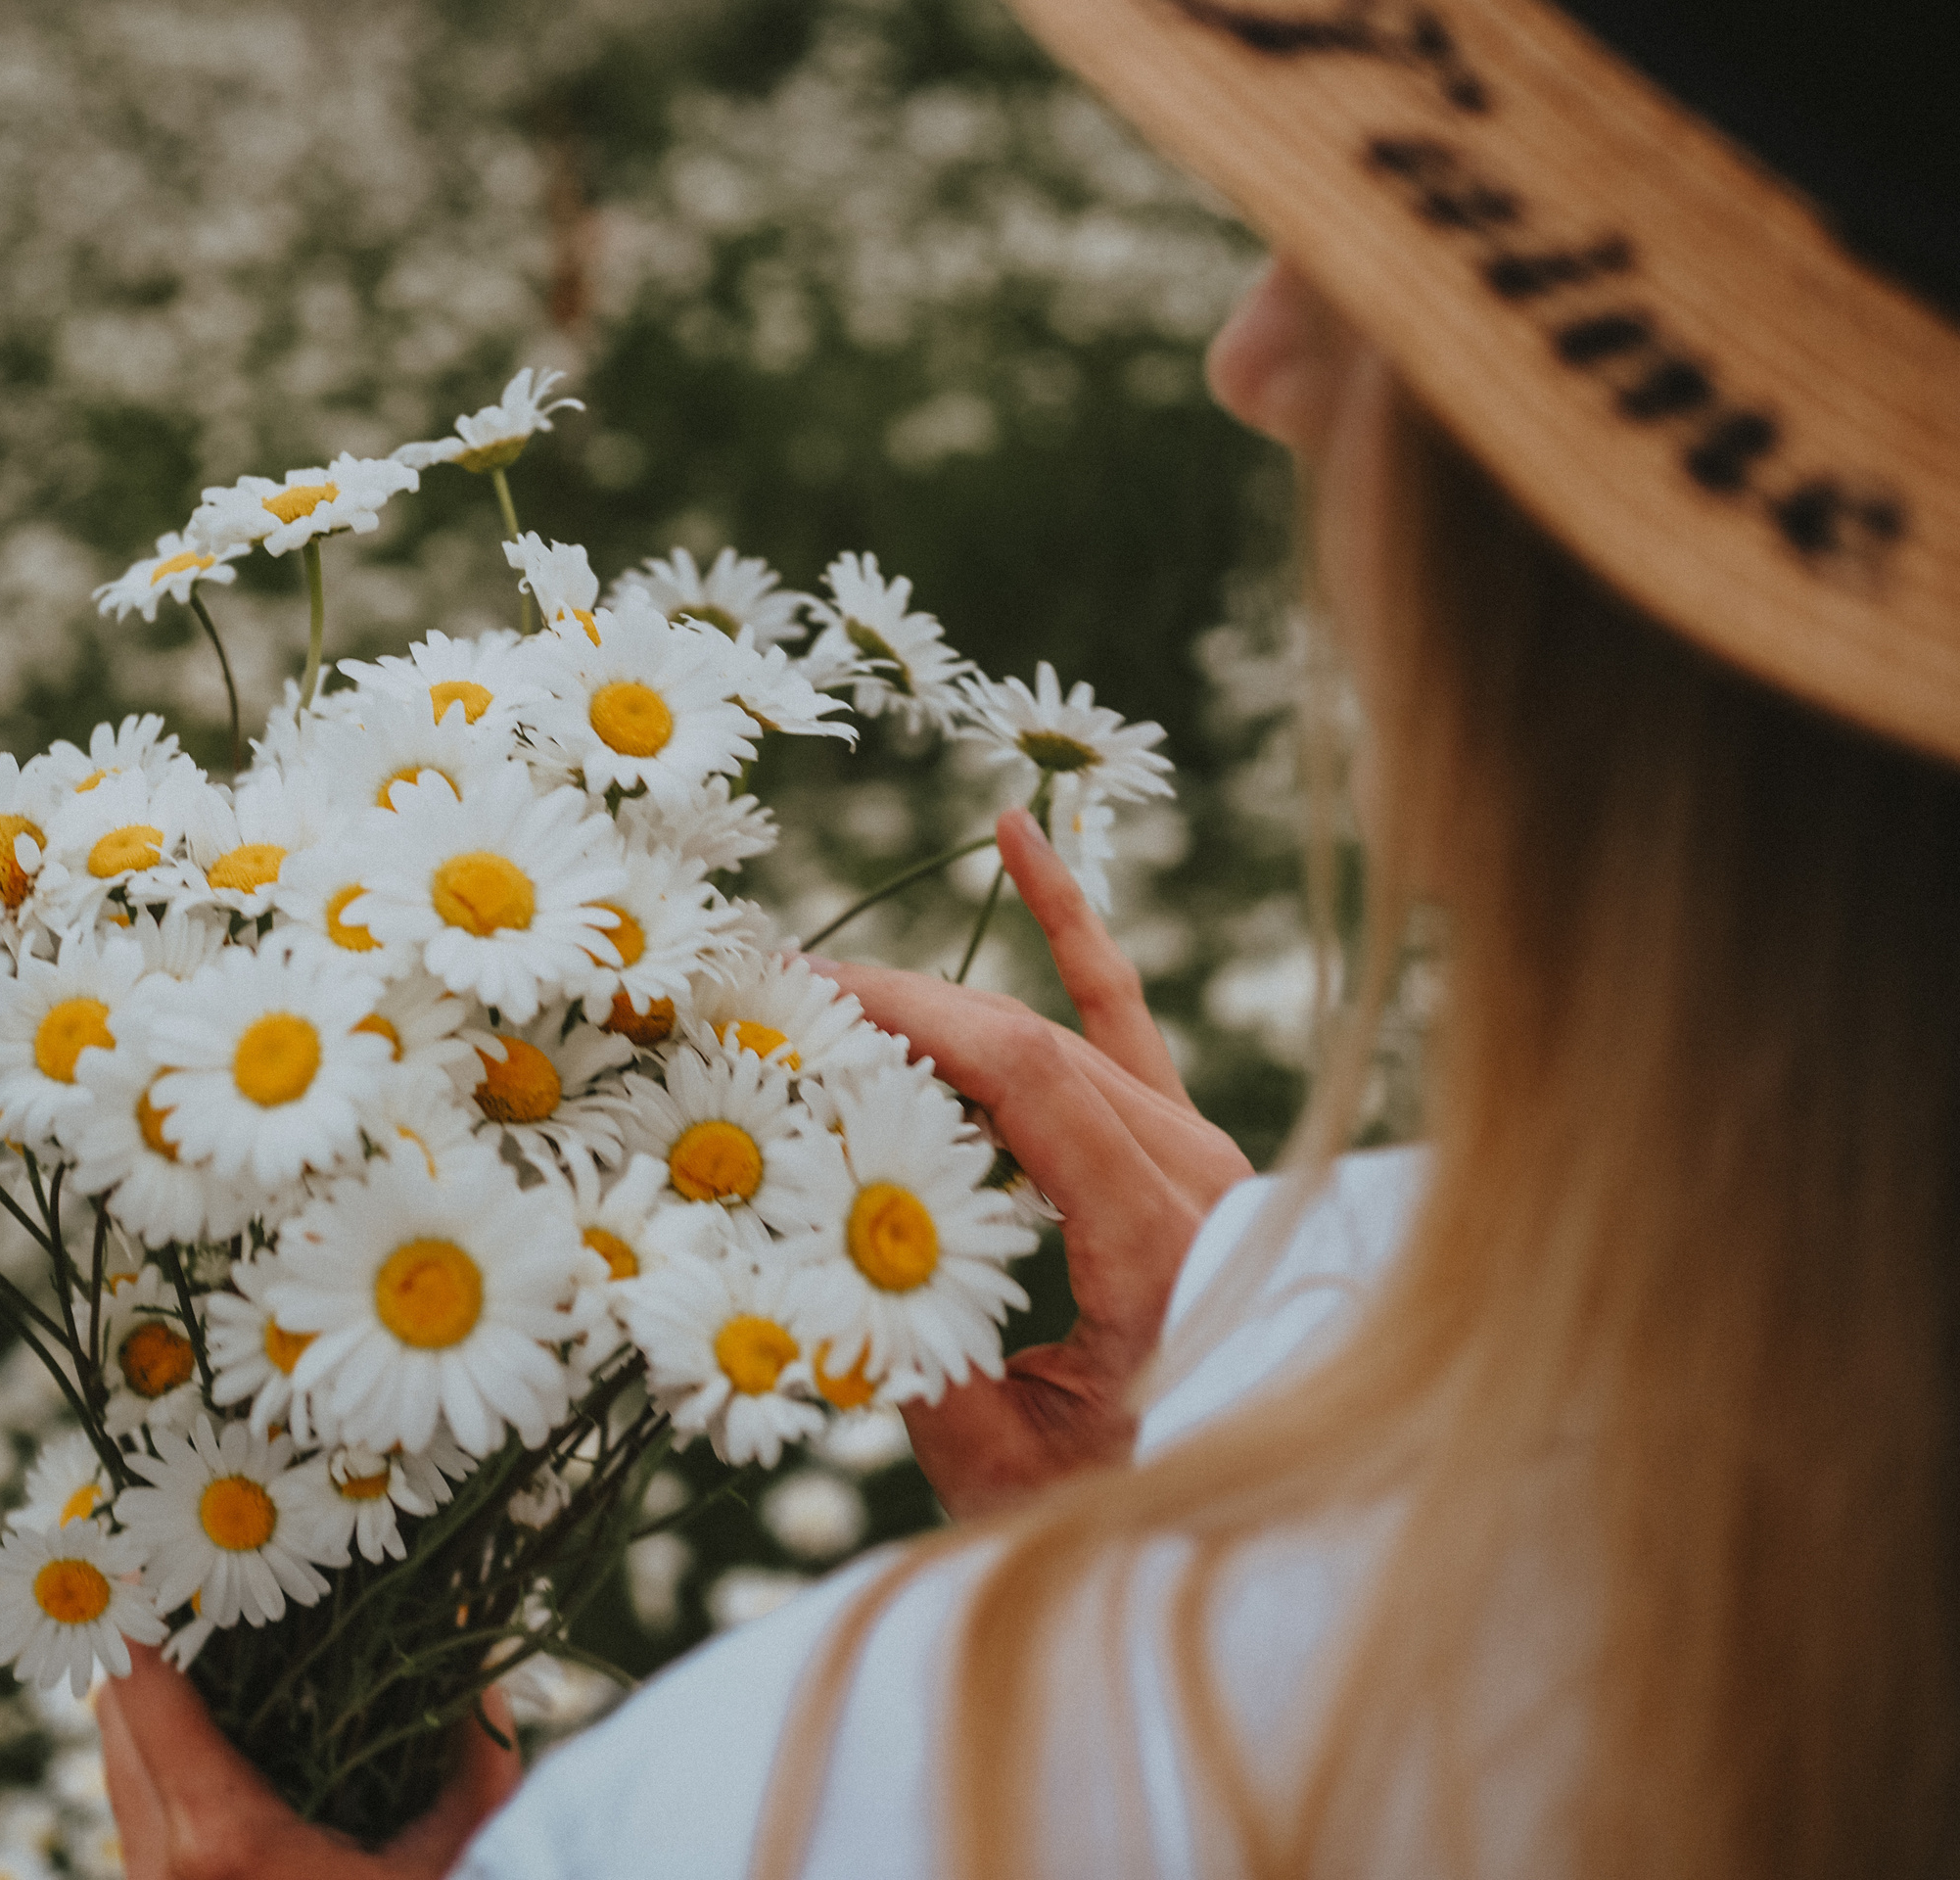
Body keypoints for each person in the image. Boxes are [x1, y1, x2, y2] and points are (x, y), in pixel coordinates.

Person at [99, 3, 1960, 1874]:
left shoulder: (832, 1800)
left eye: (1423, 275)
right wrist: (1265, 1387)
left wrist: (1159, 1584)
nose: (1263, 348)